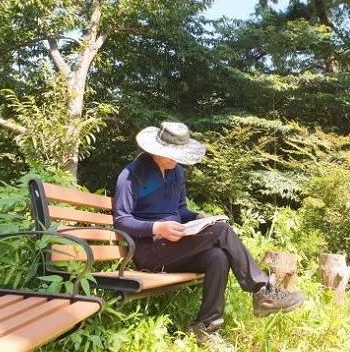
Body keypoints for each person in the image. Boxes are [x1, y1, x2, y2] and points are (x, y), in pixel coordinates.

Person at [112, 121, 304, 344]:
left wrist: (198, 217)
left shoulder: (177, 172)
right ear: (157, 149)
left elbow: (180, 210)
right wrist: (157, 227)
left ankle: (206, 328)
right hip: (149, 252)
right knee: (221, 230)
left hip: (175, 248)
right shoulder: (131, 175)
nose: (177, 159)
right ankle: (263, 291)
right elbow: (122, 221)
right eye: (173, 154)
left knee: (218, 256)